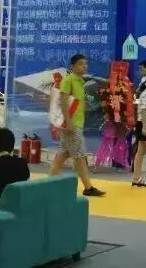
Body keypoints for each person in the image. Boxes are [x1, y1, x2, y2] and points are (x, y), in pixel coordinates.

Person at [49, 54, 105, 197]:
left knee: (64, 153)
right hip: (71, 124)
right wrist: (69, 122)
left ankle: (48, 182)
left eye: (85, 63)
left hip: (75, 123)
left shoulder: (80, 81)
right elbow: (63, 101)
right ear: (72, 66)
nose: (84, 66)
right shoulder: (69, 80)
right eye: (80, 63)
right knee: (80, 156)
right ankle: (88, 187)